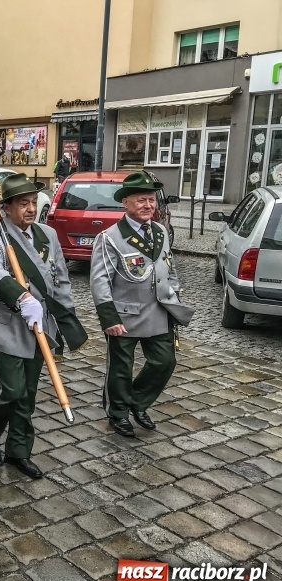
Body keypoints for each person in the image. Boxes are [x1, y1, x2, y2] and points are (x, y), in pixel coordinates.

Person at [0, 173, 86, 479]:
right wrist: (22, 297)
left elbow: (60, 278)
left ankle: (19, 450)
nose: (30, 208)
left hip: (40, 326)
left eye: (33, 202)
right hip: (3, 326)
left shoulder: (46, 235)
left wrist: (65, 318)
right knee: (12, 389)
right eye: (23, 203)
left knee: (29, 394)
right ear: (6, 208)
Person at [90, 171, 193, 437]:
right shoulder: (109, 237)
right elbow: (100, 281)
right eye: (141, 200)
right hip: (125, 315)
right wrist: (109, 317)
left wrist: (174, 299)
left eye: (151, 200)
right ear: (125, 203)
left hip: (159, 312)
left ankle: (137, 402)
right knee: (120, 369)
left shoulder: (160, 231)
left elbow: (169, 269)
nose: (148, 205)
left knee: (164, 362)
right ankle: (118, 413)